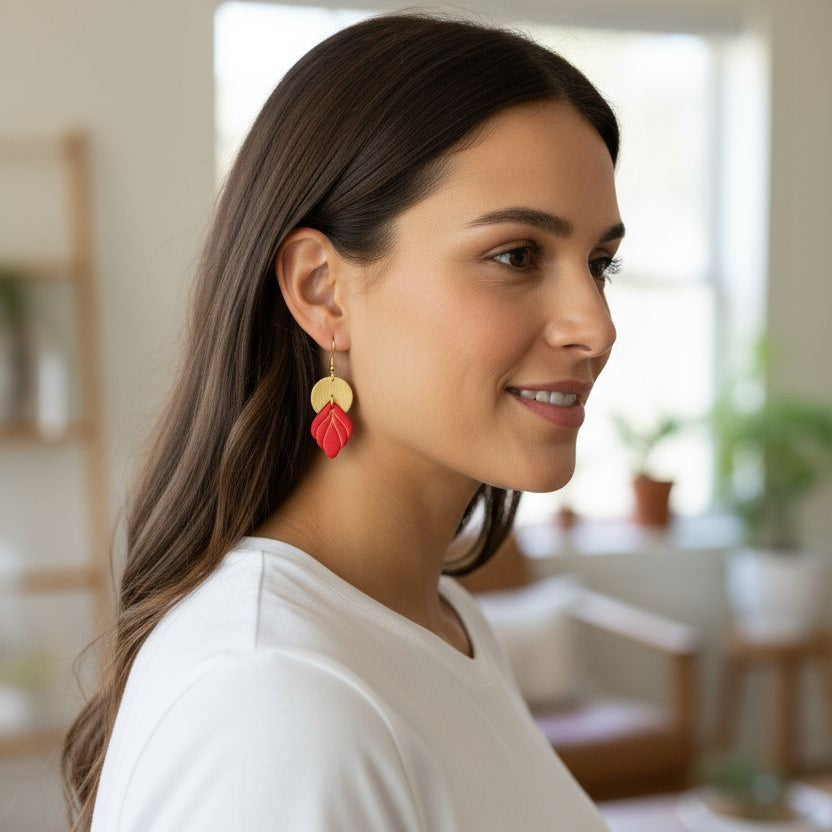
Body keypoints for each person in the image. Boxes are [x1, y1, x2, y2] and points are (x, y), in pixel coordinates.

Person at [63, 8, 625, 831]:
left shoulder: (441, 621)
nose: (595, 326)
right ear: (323, 289)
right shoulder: (275, 704)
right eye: (516, 256)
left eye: (600, 264)